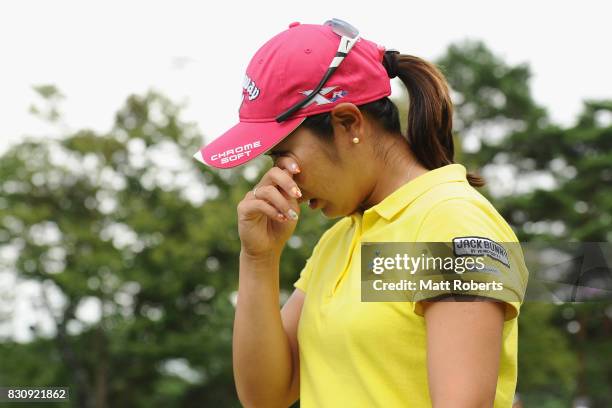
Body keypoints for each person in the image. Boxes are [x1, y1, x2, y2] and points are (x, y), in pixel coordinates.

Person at [194, 19, 528, 408]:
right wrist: (258, 259)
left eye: (284, 154)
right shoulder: (339, 241)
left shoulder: (450, 222)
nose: (280, 176)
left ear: (349, 122)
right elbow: (266, 396)